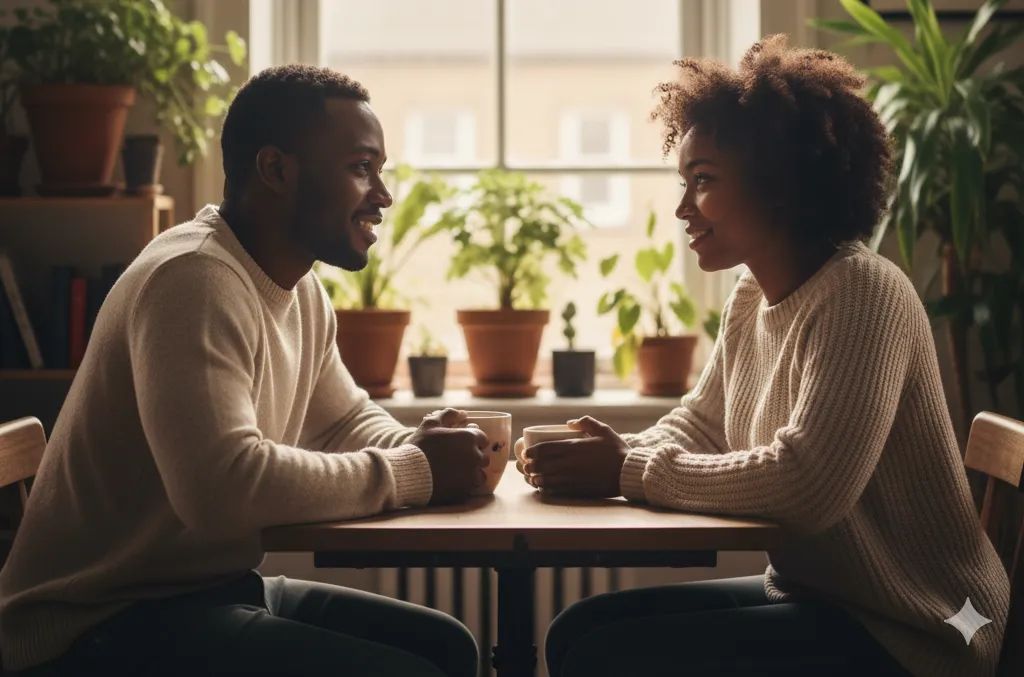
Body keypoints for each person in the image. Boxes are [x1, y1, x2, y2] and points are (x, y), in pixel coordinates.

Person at [519, 35, 1011, 677]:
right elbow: (703, 422)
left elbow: (807, 485)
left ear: (781, 183)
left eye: (704, 182)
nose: (681, 209)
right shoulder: (752, 293)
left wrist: (627, 471)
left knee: (599, 653)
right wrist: (609, 449)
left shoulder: (866, 294)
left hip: (927, 625)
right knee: (576, 630)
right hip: (827, 600)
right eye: (684, 181)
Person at [0, 65, 488, 677]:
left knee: (446, 647)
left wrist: (422, 446)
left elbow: (340, 420)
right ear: (276, 170)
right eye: (361, 168)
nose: (383, 195)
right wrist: (415, 470)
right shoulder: (193, 279)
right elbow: (221, 487)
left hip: (204, 592)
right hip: (95, 624)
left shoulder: (297, 285)